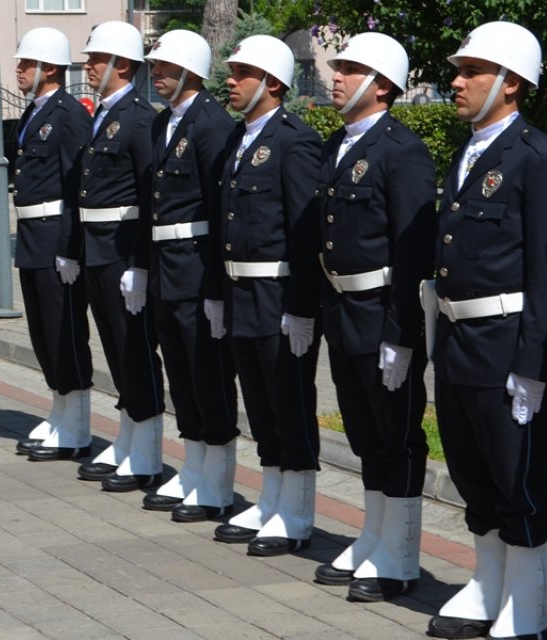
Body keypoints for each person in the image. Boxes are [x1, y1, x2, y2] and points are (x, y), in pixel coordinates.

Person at [426, 22, 547, 640]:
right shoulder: (468, 153)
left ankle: (528, 602)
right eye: (457, 71)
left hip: (508, 342)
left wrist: (534, 367)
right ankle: (488, 584)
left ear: (511, 83)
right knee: (472, 471)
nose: (456, 83)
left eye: (472, 72)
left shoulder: (538, 159)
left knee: (518, 477)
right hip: (460, 340)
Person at [306, 33, 437, 595]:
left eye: (350, 68)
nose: (335, 76)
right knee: (363, 433)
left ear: (381, 84)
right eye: (337, 68)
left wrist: (402, 332)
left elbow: (413, 252)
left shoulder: (401, 151)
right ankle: (374, 535)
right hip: (343, 309)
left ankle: (401, 555)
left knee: (396, 434)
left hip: (383, 312)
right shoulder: (339, 144)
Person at [208, 35, 329, 558]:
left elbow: (306, 232)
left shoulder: (294, 141)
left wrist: (302, 307)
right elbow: (225, 224)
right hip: (241, 291)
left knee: (290, 404)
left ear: (273, 83)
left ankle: (298, 512)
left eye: (242, 73)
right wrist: (217, 290)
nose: (230, 81)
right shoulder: (240, 139)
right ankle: (272, 497)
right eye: (231, 72)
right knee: (259, 404)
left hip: (279, 296)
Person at [136, 29, 239, 523]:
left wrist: (218, 286)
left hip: (198, 266)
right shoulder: (164, 125)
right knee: (181, 372)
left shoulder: (211, 125)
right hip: (166, 266)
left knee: (208, 374)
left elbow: (222, 214)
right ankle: (194, 467)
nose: (157, 76)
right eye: (154, 69)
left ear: (191, 72)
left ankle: (218, 482)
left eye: (165, 69)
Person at [69, 21, 168, 492]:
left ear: (122, 65)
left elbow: (150, 197)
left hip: (123, 247)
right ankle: (128, 437)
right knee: (115, 348)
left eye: (96, 58)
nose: (88, 66)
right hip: (98, 248)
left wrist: (140, 263)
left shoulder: (139, 118)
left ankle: (147, 451)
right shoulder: (104, 114)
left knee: (135, 349)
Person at [6, 27, 96, 462]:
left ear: (50, 67)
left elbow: (76, 186)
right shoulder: (34, 113)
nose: (19, 70)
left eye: (26, 63)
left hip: (55, 239)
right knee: (43, 333)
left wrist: (69, 248)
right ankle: (60, 412)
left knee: (65, 333)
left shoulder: (69, 115)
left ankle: (77, 425)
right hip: (31, 238)